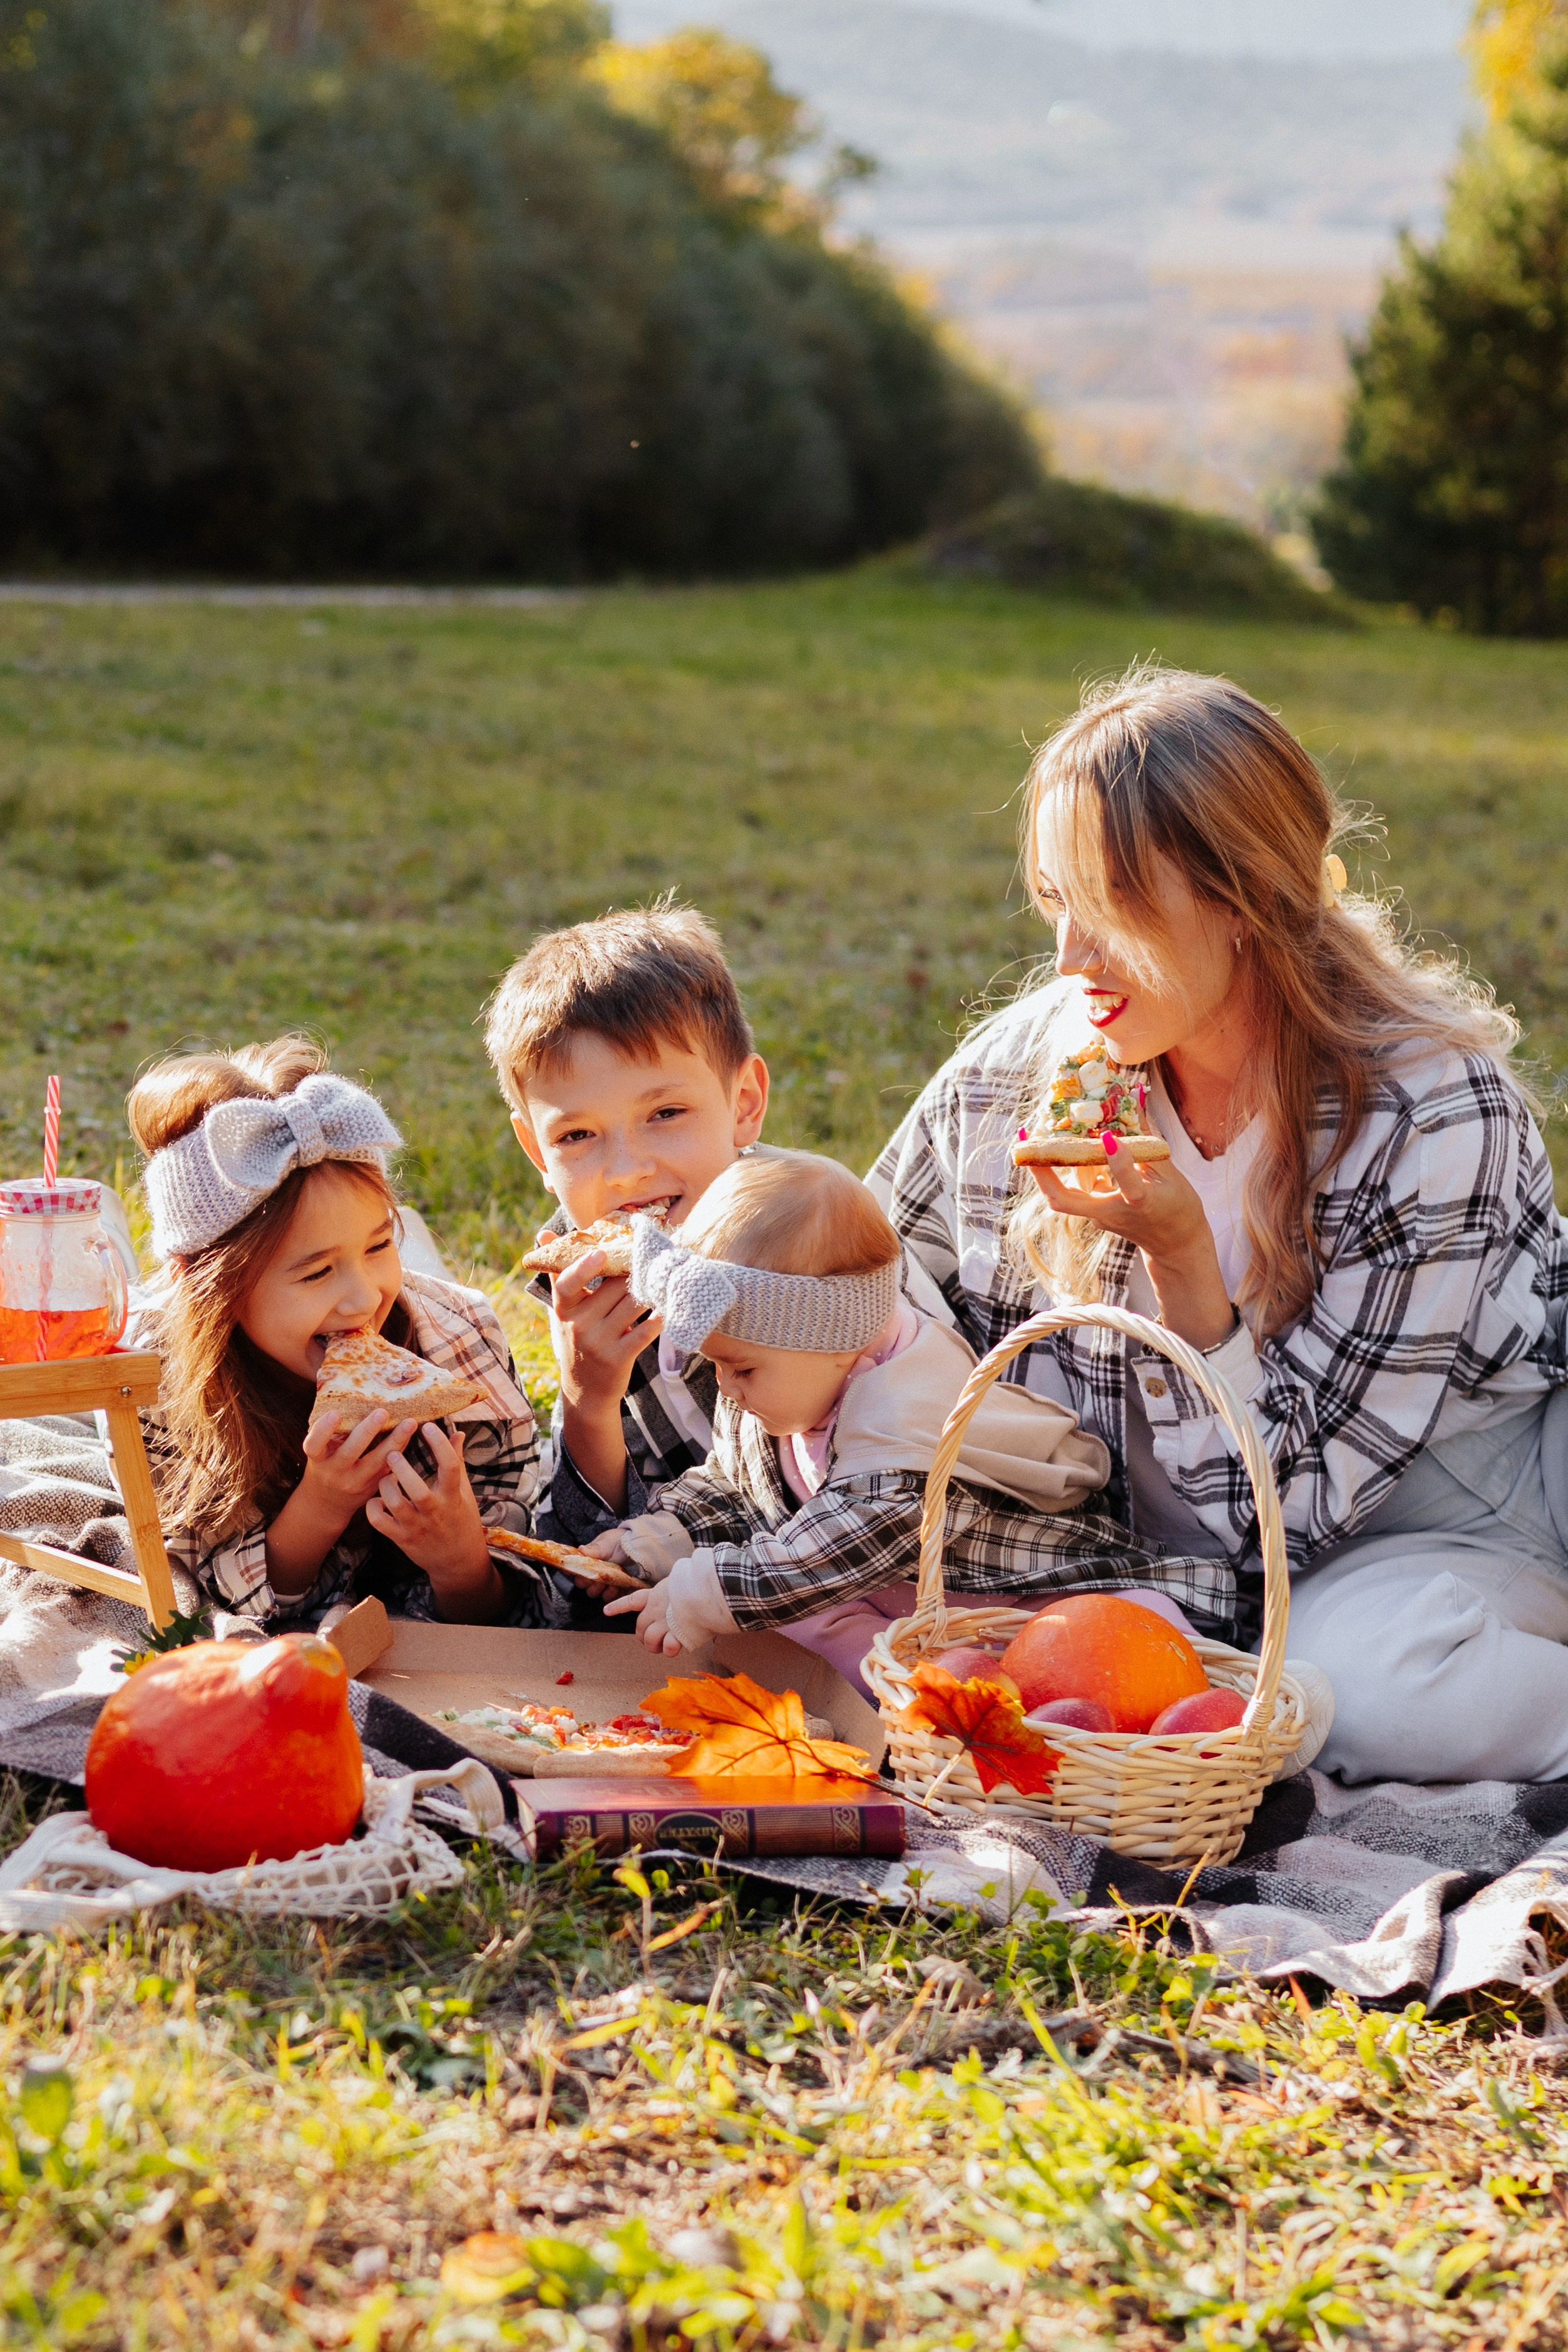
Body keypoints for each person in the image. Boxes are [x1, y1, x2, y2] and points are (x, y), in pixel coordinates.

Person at [870, 660, 1568, 1785]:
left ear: (1242, 898)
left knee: (1360, 1701)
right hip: (1268, 1570)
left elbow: (1292, 1514)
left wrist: (1182, 1257)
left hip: (1469, 1500)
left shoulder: (1429, 1106)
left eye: (1114, 909)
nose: (1068, 959)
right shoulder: (1034, 1065)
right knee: (1330, 1688)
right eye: (1056, 901)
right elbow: (865, 1275)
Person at [586, 1151, 1200, 1697]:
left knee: (1123, 1640)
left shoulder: (908, 1416)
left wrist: (705, 1592)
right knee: (782, 1618)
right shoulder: (785, 1382)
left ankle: (1226, 1718)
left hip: (1029, 1597)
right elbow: (736, 1479)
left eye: (740, 1367)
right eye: (718, 1364)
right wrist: (666, 1536)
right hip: (909, 1612)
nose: (725, 1386)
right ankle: (915, 1706)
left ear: (834, 1340)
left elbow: (834, 1550)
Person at [126, 1035, 550, 1628]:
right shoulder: (153, 1382)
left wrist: (461, 1562)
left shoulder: (458, 1343)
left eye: (379, 1245)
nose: (364, 1297)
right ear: (210, 1288)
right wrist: (322, 1504)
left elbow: (509, 1614)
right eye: (317, 1271)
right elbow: (200, 1599)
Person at [484, 903, 770, 1556]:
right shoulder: (579, 1286)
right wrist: (590, 1400)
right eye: (577, 1135)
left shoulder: (816, 1239)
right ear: (538, 1154)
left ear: (744, 1104)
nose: (626, 1170)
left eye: (665, 1112)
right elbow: (585, 1569)